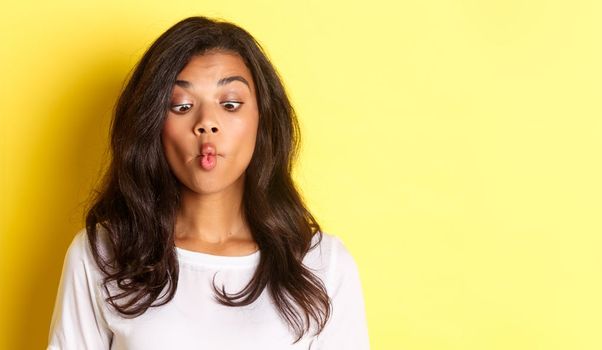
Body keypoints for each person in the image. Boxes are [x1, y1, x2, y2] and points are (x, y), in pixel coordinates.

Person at [47, 16, 369, 350]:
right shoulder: (102, 254)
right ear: (153, 123)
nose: (206, 124)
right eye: (182, 106)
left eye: (230, 104)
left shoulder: (322, 264)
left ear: (263, 119)